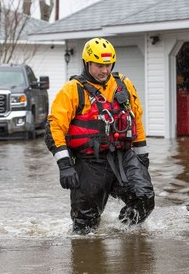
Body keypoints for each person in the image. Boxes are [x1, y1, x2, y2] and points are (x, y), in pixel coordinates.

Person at [45, 37, 155, 235]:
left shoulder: (124, 84)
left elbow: (136, 119)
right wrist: (64, 165)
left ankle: (122, 233)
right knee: (85, 227)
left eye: (108, 65)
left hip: (123, 157)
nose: (105, 70)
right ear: (87, 63)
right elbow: (54, 128)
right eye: (99, 65)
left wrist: (142, 158)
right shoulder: (72, 90)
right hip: (89, 162)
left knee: (144, 198)